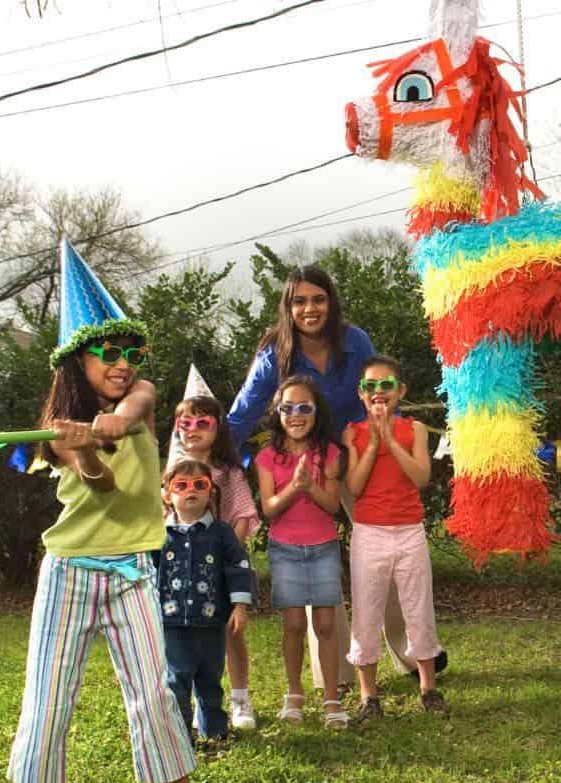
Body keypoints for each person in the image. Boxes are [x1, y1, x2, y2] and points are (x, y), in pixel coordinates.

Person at [0, 241, 204, 783]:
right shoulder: (56, 426)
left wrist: (110, 424)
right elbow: (102, 487)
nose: (123, 363)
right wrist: (78, 450)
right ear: (78, 358)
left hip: (133, 571)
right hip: (69, 575)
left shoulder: (142, 396)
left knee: (155, 697)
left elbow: (135, 412)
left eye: (132, 352)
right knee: (46, 702)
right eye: (109, 352)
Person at [227, 264, 447, 691]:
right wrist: (216, 463)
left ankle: (411, 652)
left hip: (362, 457)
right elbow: (243, 412)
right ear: (288, 307)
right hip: (307, 469)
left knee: (389, 552)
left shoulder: (355, 340)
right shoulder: (275, 354)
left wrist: (393, 445)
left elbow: (382, 393)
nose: (310, 309)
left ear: (331, 302)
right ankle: (339, 671)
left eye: (318, 299)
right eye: (300, 301)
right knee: (318, 564)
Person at [343, 356, 448, 720]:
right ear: (360, 393)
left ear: (400, 391)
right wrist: (374, 442)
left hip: (409, 532)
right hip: (369, 533)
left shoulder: (414, 429)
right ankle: (368, 695)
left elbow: (421, 477)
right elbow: (354, 486)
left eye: (386, 386)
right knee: (367, 611)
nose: (378, 393)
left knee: (418, 608)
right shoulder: (352, 433)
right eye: (370, 386)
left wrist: (390, 436)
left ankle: (428, 688)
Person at [254, 375, 350, 730]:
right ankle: (294, 693)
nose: (296, 415)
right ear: (278, 413)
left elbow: (332, 505)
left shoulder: (330, 453)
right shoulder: (266, 457)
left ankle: (331, 697)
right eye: (287, 408)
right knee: (293, 624)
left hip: (323, 545)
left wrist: (311, 486)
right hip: (285, 548)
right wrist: (296, 487)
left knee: (326, 624)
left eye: (304, 408)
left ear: (316, 412)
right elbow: (269, 508)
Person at [169, 392, 261, 730]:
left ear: (216, 427)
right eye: (185, 423)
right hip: (183, 572)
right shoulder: (170, 473)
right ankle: (201, 703)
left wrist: (223, 551)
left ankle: (240, 697)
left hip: (223, 568)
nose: (193, 429)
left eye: (202, 423)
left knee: (231, 631)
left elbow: (243, 514)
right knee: (189, 632)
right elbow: (165, 520)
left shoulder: (228, 471)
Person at [155, 459, 253, 743]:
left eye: (200, 484)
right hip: (172, 625)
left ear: (211, 491)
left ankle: (214, 730)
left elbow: (238, 567)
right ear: (167, 494)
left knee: (211, 679)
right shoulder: (160, 534)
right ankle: (181, 735)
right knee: (177, 679)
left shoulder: (221, 533)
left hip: (212, 623)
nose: (191, 490)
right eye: (181, 485)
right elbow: (147, 572)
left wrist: (239, 606)